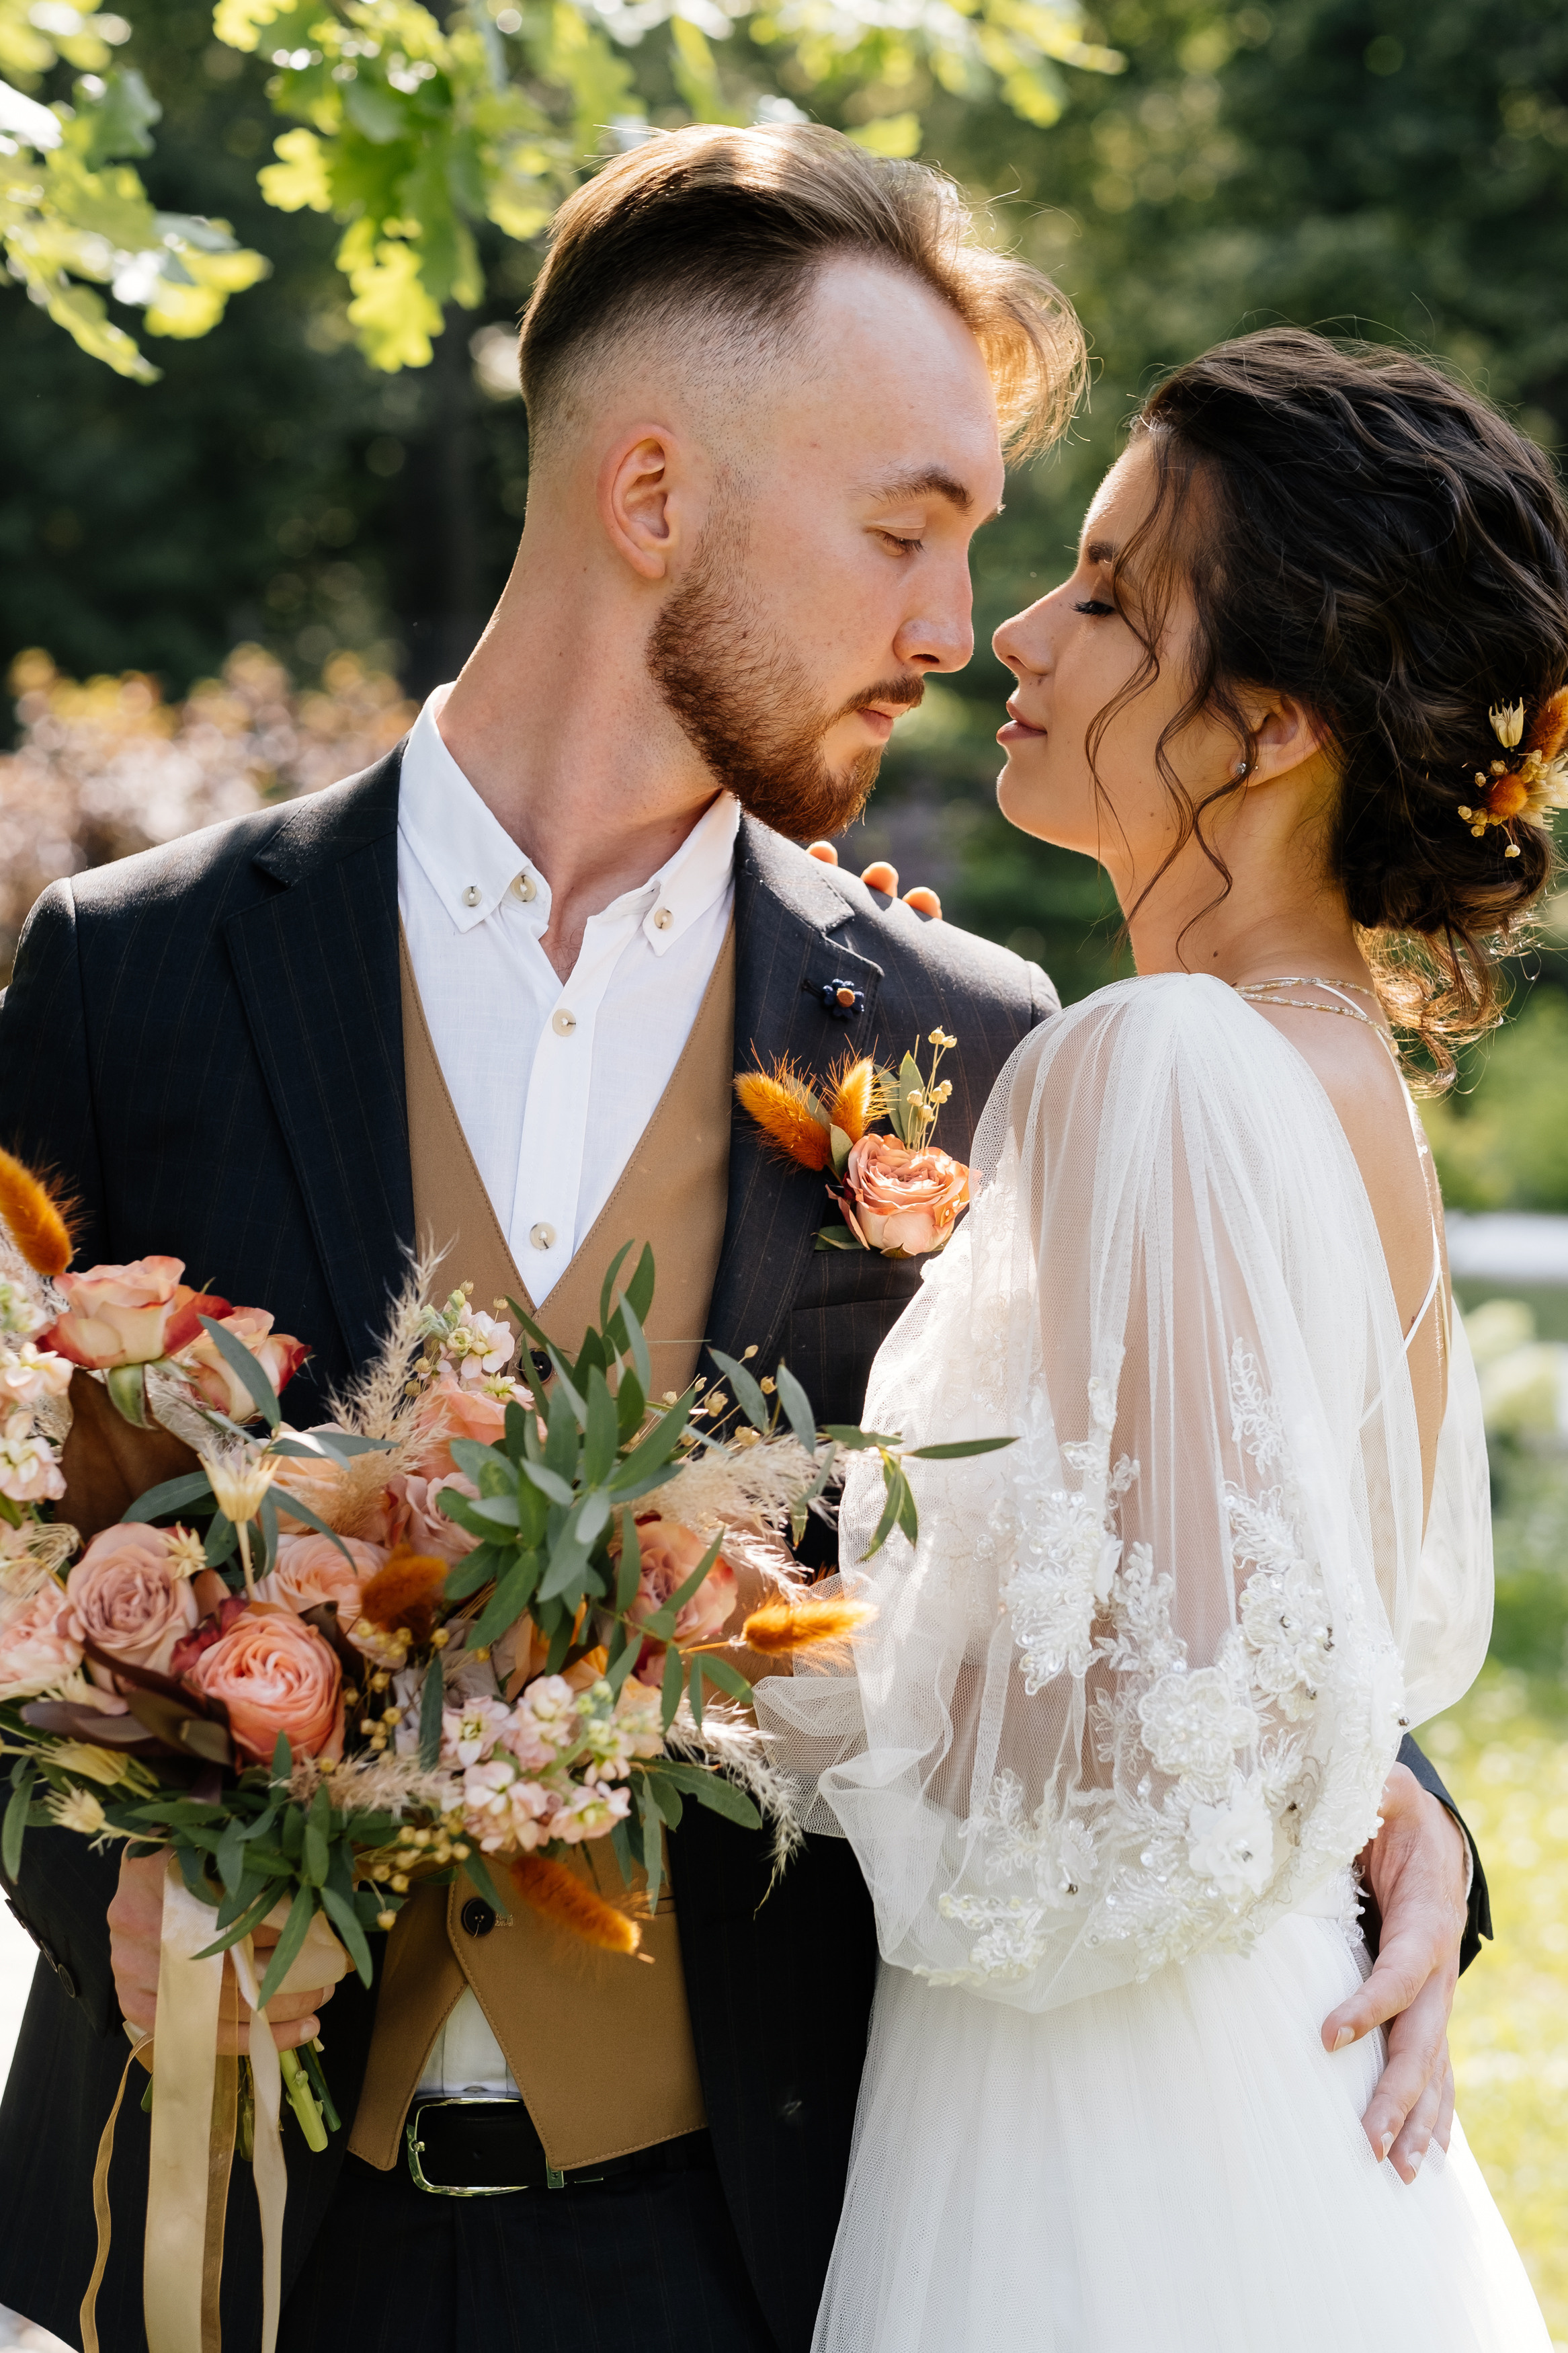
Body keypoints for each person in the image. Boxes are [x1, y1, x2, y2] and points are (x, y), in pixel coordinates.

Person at [0, 138, 1479, 2352]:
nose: (954, 629)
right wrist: (120, 1871)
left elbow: (1171, 1555)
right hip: (232, 2253)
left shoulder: (988, 1047)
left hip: (757, 2258)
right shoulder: (133, 973)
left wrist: (1419, 1818)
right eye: (907, 529)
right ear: (654, 496)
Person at [757, 327, 1555, 2350]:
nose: (1019, 629)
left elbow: (1125, 1759)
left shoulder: (1156, 1064)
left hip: (1099, 2113)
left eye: (1109, 595)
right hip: (1268, 2080)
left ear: (1267, 725)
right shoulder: (1335, 1065)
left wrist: (698, 1628)